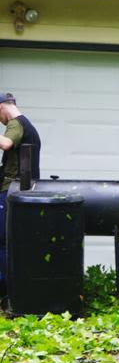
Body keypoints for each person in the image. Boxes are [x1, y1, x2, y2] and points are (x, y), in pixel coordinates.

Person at [0, 92, 41, 291]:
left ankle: (5, 287)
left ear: (2, 108)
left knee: (3, 238)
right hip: (25, 190)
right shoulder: (29, 125)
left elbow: (6, 143)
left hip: (11, 190)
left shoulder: (15, 123)